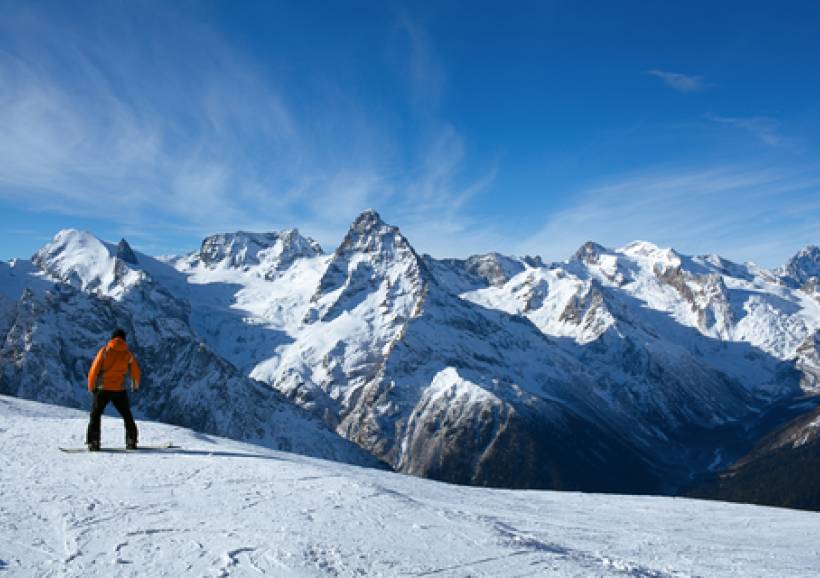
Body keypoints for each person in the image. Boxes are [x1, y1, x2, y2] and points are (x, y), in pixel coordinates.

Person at [86, 328, 141, 451]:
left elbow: (93, 370)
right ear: (124, 339)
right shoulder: (127, 354)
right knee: (127, 415)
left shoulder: (105, 351)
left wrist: (91, 386)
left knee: (95, 415)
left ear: (112, 338)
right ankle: (131, 440)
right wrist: (135, 384)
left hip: (102, 389)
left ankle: (94, 442)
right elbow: (136, 371)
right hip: (119, 389)